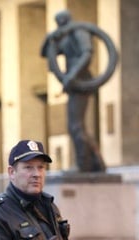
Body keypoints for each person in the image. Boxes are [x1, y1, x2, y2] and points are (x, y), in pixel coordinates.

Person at [41, 10, 105, 173]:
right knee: (76, 126)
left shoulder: (79, 31)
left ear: (66, 19)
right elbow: (45, 52)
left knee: (75, 126)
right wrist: (51, 37)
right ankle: (96, 162)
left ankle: (85, 164)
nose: (59, 24)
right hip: (73, 84)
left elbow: (87, 53)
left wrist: (72, 74)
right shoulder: (66, 37)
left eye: (60, 21)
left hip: (81, 80)